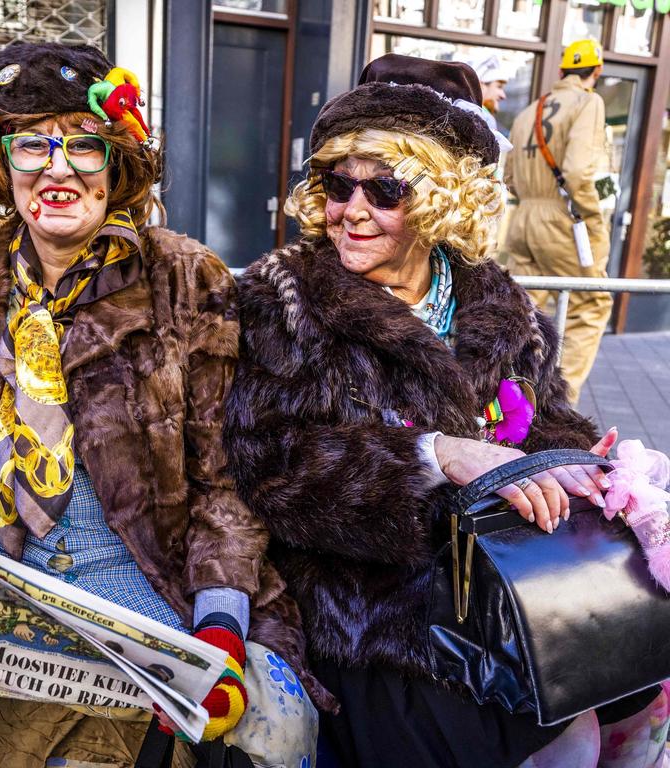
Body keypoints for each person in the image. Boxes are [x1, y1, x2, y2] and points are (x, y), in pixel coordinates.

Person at [0, 41, 330, 768]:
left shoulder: (189, 281)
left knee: (221, 751)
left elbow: (224, 484)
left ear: (118, 165)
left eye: (84, 147)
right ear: (1, 163)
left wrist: (219, 627)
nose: (56, 168)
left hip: (139, 585)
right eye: (30, 147)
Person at [223, 53, 670, 768]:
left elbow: (546, 416)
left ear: (442, 198)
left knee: (625, 689)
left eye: (386, 189)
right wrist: (434, 457)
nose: (353, 210)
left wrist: (583, 464)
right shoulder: (280, 303)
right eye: (339, 184)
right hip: (372, 612)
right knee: (466, 737)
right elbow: (268, 468)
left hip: (517, 589)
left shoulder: (500, 301)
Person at [504, 39, 612, 405]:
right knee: (590, 305)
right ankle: (559, 403)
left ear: (563, 69)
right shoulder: (588, 102)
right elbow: (579, 171)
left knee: (522, 311)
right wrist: (593, 220)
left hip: (524, 219)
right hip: (565, 221)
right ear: (595, 72)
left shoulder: (528, 112)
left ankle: (510, 399)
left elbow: (511, 178)